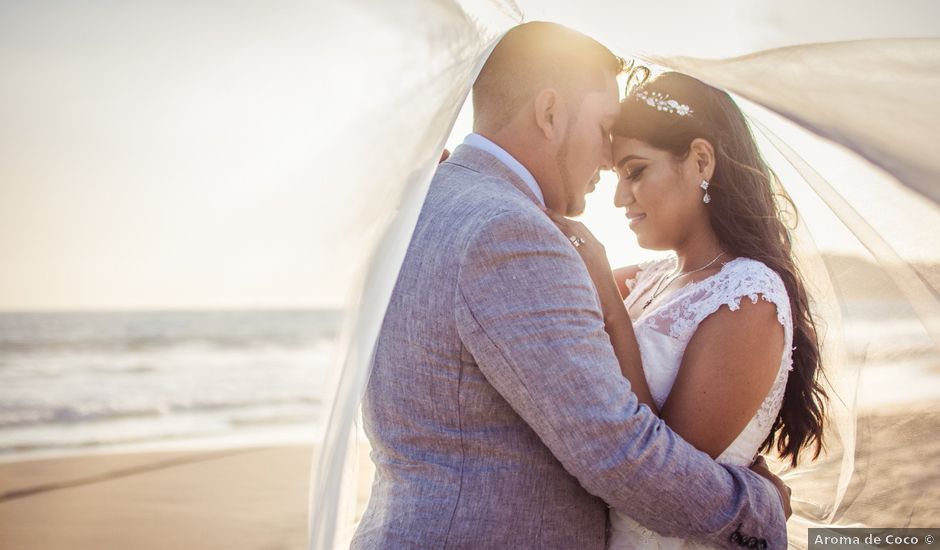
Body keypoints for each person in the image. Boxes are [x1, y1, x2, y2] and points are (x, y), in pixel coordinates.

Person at [351, 22, 791, 549]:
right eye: (605, 128)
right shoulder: (508, 232)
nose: (608, 160)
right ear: (550, 113)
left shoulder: (423, 201)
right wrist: (759, 508)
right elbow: (616, 451)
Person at [554, 72, 828, 549]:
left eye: (636, 171)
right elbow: (543, 293)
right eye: (618, 176)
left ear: (701, 160)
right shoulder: (646, 278)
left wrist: (612, 307)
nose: (620, 198)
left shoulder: (750, 296)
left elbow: (662, 479)